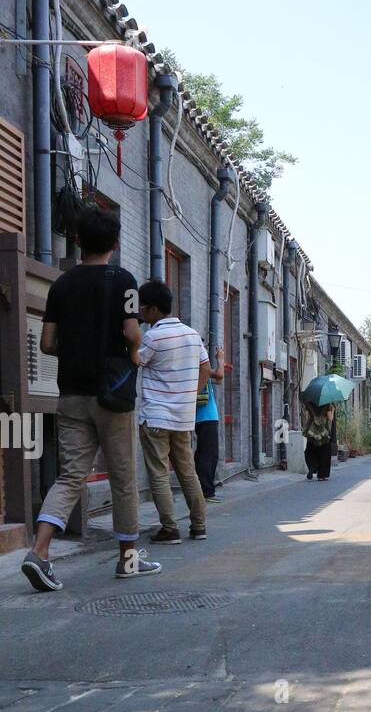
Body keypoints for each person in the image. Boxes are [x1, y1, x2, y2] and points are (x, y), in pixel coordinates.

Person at [20, 204, 160, 592]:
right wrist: (131, 353)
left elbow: (48, 342)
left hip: (71, 394)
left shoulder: (61, 285)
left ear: (79, 241)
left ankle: (39, 551)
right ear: (115, 242)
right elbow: (133, 333)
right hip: (113, 396)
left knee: (70, 477)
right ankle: (128, 561)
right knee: (123, 478)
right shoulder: (125, 281)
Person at [136, 280, 224, 546]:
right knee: (188, 472)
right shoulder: (192, 334)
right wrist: (190, 396)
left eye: (142, 308)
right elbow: (207, 369)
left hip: (156, 417)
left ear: (152, 309)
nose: (140, 313)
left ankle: (170, 529)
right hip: (183, 418)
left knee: (160, 473)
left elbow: (136, 360)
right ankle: (199, 525)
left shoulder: (153, 336)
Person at [194, 341, 225, 502]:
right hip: (206, 415)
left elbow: (218, 380)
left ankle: (201, 487)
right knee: (209, 454)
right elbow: (219, 375)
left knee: (201, 453)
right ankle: (206, 491)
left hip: (199, 416)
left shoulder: (193, 367)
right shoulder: (200, 368)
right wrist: (220, 359)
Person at [301, 401, 335, 480]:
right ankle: (321, 475)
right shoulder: (327, 404)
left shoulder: (309, 404)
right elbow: (330, 418)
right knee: (324, 453)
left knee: (310, 450)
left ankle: (312, 467)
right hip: (324, 433)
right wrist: (332, 410)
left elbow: (306, 417)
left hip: (312, 432)